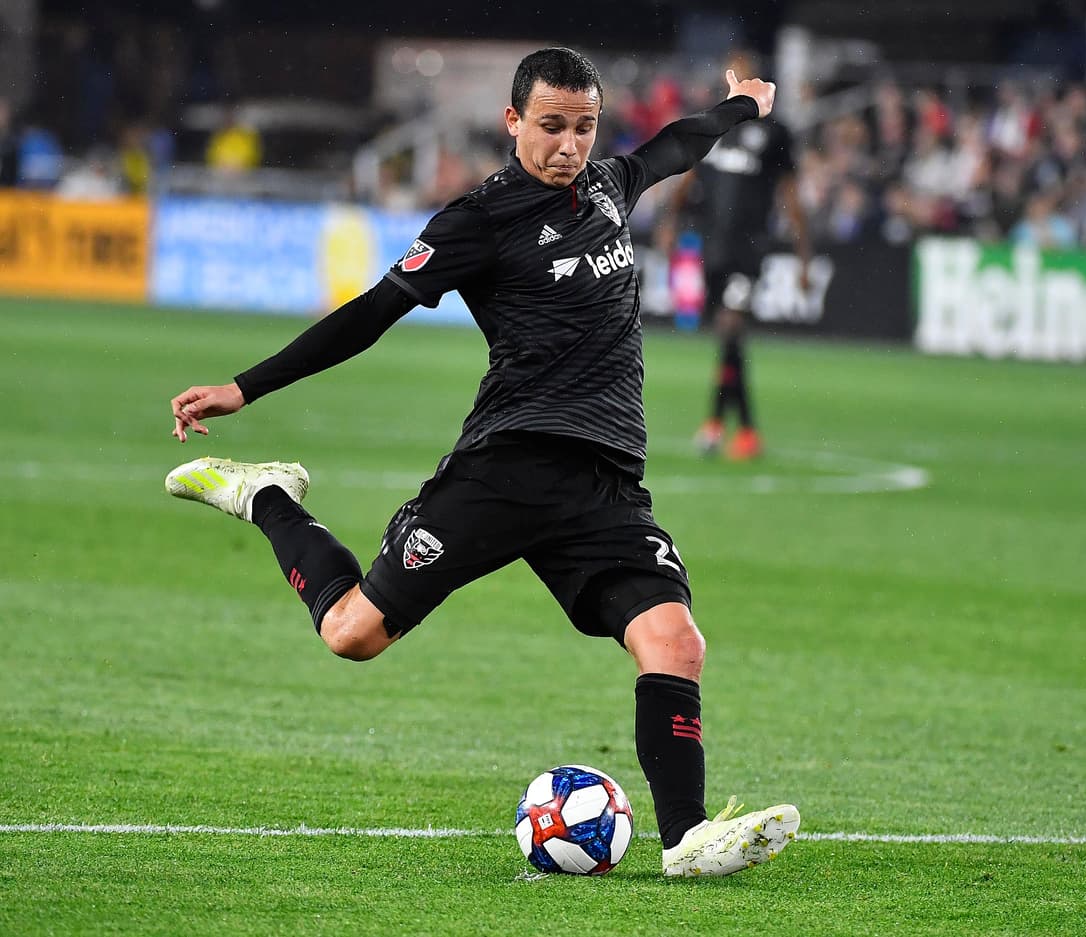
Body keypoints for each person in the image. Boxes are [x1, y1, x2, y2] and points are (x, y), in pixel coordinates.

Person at [165, 47, 799, 878]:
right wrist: (245, 388)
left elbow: (681, 143)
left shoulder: (609, 185)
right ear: (512, 123)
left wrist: (743, 106)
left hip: (605, 483)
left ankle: (683, 836)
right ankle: (268, 496)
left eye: (584, 126)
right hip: (504, 467)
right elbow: (369, 314)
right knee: (351, 633)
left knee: (675, 639)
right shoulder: (477, 221)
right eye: (551, 127)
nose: (570, 145)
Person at [656, 51, 809, 461]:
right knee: (728, 338)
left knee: (729, 328)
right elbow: (688, 174)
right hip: (713, 248)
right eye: (731, 75)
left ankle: (716, 424)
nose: (734, 82)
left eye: (742, 75)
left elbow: (791, 197)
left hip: (750, 249)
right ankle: (744, 429)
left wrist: (804, 255)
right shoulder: (714, 124)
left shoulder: (776, 133)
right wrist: (670, 221)